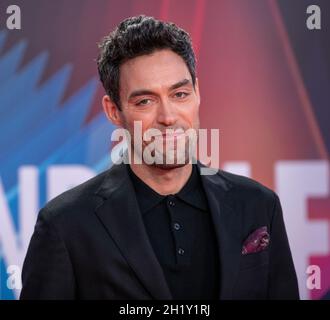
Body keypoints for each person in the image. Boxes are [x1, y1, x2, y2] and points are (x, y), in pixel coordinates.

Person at [20, 15, 299, 300]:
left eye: (179, 94)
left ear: (197, 93)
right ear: (113, 111)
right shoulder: (65, 225)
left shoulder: (258, 206)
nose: (167, 117)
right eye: (145, 101)